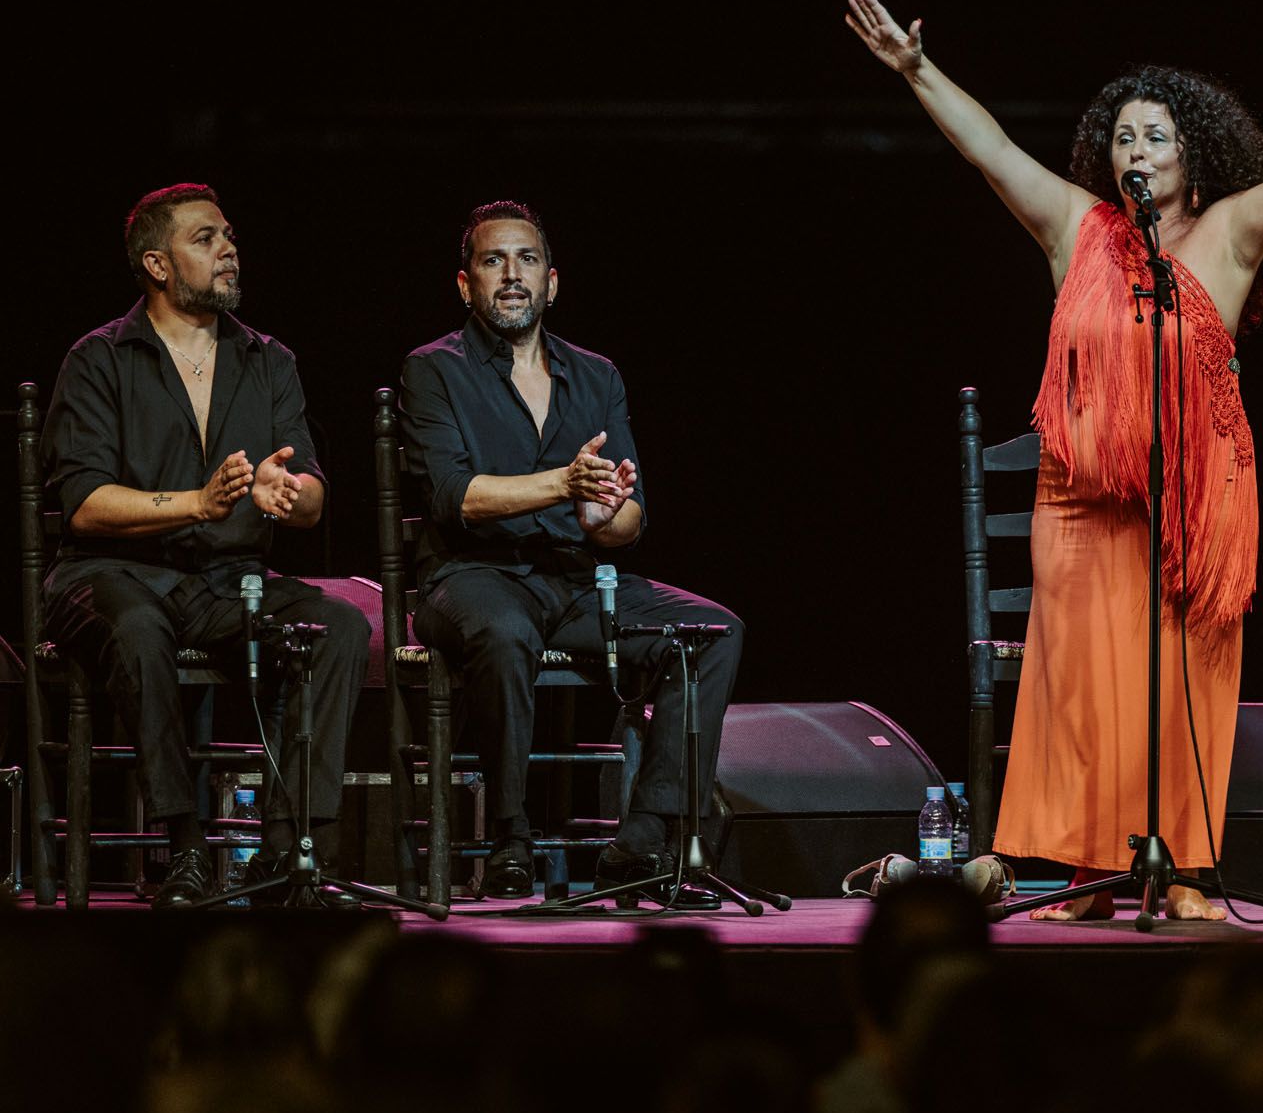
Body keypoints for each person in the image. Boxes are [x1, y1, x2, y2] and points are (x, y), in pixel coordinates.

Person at [847, 0, 1263, 919]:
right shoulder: (1073, 228)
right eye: (1124, 137)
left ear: (1195, 157)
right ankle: (1096, 871)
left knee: (1182, 685)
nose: (1135, 152)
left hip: (1197, 502)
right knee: (1089, 691)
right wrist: (915, 69)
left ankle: (1178, 869)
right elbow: (989, 149)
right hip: (1083, 503)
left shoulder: (1229, 234)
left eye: (1156, 138)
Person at [399, 200, 744, 903]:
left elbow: (626, 523)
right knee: (503, 630)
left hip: (578, 581)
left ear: (552, 282)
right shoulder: (433, 370)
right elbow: (454, 498)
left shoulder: (596, 377)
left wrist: (601, 515)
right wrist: (562, 482)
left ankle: (644, 839)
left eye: (526, 260)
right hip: (471, 577)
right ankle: (509, 837)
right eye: (493, 261)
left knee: (712, 634)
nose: (512, 275)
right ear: (465, 284)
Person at [41, 183, 370, 908]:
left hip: (228, 579)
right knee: (137, 629)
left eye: (229, 235)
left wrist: (289, 492)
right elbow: (86, 505)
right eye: (206, 238)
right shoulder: (100, 359)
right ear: (157, 265)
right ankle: (182, 842)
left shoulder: (266, 359)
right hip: (110, 574)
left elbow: (311, 491)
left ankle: (287, 853)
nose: (229, 249)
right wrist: (199, 501)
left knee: (340, 626)